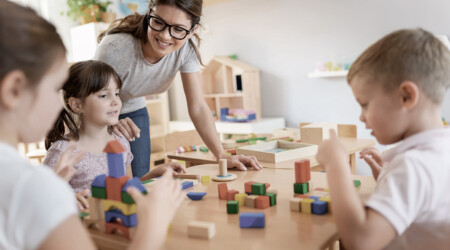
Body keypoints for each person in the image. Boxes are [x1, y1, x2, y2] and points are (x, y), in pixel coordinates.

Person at [0, 1, 184, 249]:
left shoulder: (32, 183)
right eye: (55, 88)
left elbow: (127, 184)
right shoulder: (32, 186)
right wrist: (155, 224)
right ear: (14, 90)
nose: (59, 105)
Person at [316, 28, 450, 249]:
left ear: (406, 96)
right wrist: (386, 178)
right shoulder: (440, 151)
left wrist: (335, 165)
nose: (361, 117)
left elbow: (361, 241)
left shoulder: (413, 166)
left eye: (365, 104)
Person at [96, 0, 262, 177]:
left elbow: (197, 107)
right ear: (148, 14)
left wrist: (221, 156)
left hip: (133, 109)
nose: (165, 36)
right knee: (104, 179)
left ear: (192, 31)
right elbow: (88, 98)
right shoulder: (115, 48)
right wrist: (109, 122)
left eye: (178, 29)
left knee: (138, 180)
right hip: (96, 110)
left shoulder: (186, 50)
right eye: (158, 22)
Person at [44, 60, 186, 210]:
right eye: (104, 95)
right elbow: (42, 199)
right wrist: (69, 199)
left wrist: (155, 173)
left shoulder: (121, 142)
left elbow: (127, 187)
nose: (116, 102)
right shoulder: (63, 151)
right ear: (77, 105)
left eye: (117, 94)